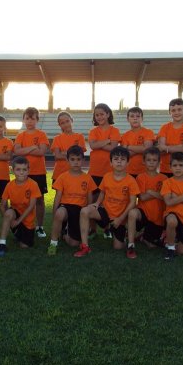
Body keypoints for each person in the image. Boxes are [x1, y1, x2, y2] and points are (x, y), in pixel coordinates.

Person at [74, 146, 140, 257]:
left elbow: (133, 202)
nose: (119, 161)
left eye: (123, 159)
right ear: (111, 162)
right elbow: (103, 192)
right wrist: (97, 203)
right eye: (116, 159)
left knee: (118, 247)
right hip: (105, 213)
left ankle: (129, 245)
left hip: (120, 217)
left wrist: (120, 218)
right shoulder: (107, 176)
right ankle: (85, 246)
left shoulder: (131, 181)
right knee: (85, 211)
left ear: (128, 163)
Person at [48, 145, 97, 255]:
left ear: (83, 160)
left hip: (80, 211)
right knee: (59, 214)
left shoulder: (88, 178)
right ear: (67, 160)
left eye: (79, 159)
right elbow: (57, 198)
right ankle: (53, 244)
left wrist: (88, 218)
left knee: (73, 243)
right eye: (73, 159)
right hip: (66, 207)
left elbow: (90, 200)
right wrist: (54, 213)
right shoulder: (62, 177)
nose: (76, 162)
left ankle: (65, 232)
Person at [13, 107, 50, 238]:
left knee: (39, 200)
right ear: (23, 120)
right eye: (27, 118)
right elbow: (17, 151)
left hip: (39, 172)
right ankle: (23, 223)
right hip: (23, 173)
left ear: (37, 120)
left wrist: (25, 149)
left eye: (32, 118)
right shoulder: (20, 135)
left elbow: (41, 152)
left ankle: (39, 226)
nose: (29, 121)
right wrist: (33, 147)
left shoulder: (42, 134)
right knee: (23, 200)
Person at [0, 156, 42, 257]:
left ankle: (19, 233)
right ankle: (2, 244)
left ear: (28, 170)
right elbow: (2, 206)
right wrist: (8, 220)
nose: (21, 172)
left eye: (24, 169)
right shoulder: (9, 185)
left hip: (26, 221)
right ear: (12, 170)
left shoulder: (33, 184)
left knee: (24, 245)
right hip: (15, 216)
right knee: (8, 212)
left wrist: (17, 222)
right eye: (18, 169)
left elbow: (31, 207)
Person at [87, 102, 121, 238]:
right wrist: (106, 141)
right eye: (97, 115)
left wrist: (100, 144)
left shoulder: (115, 130)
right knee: (92, 201)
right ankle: (92, 229)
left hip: (109, 172)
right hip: (94, 172)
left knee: (108, 202)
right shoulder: (93, 131)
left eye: (102, 114)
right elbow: (92, 146)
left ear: (108, 114)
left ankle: (108, 228)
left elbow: (113, 148)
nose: (99, 117)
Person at [125, 147, 167, 259]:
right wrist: (157, 194)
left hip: (157, 217)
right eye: (149, 160)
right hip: (143, 213)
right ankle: (131, 245)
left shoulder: (164, 178)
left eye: (154, 160)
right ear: (144, 161)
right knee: (133, 213)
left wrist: (151, 192)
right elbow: (142, 197)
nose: (151, 163)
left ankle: (143, 237)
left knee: (152, 246)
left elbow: (165, 198)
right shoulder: (141, 177)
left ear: (159, 162)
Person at [157, 98, 183, 177]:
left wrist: (167, 148)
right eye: (173, 110)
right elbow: (161, 149)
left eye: (179, 109)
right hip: (166, 169)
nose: (176, 112)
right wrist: (179, 147)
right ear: (169, 112)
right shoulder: (164, 128)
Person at [51, 111, 87, 183]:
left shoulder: (79, 137)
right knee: (59, 194)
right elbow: (57, 156)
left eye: (67, 121)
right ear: (59, 125)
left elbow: (79, 156)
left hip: (75, 173)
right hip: (59, 174)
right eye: (62, 123)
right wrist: (72, 153)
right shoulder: (57, 138)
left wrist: (64, 152)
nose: (66, 124)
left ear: (72, 120)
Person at [121, 106, 155, 178]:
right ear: (128, 119)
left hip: (145, 171)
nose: (135, 118)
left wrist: (128, 147)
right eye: (132, 116)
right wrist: (141, 148)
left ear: (142, 119)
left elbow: (147, 150)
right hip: (129, 172)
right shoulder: (124, 136)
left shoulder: (148, 132)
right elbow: (126, 155)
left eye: (138, 116)